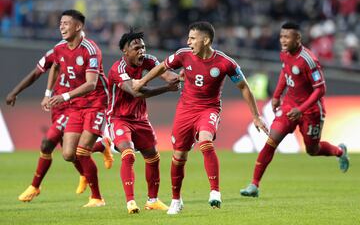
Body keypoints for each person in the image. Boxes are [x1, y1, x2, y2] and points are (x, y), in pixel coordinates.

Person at [132, 21, 268, 215]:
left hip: (209, 109)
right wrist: (143, 81)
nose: (188, 42)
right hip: (185, 110)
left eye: (193, 38)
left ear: (206, 40)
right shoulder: (183, 55)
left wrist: (255, 116)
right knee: (179, 157)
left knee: (205, 140)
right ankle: (176, 200)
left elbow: (244, 87)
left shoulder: (225, 62)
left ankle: (215, 191)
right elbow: (162, 67)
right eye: (188, 38)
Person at [240, 21, 350, 198]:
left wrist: (302, 109)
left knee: (312, 150)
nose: (283, 40)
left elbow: (320, 89)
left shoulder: (309, 60)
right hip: (289, 105)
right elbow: (285, 72)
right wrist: (276, 95)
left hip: (311, 110)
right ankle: (254, 185)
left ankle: (340, 152)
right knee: (271, 141)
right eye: (281, 36)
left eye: (287, 37)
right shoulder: (284, 54)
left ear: (298, 39)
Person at [5, 47, 113, 202]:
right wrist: (43, 94)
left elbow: (92, 81)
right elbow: (40, 71)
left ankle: (35, 186)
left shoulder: (85, 52)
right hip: (58, 105)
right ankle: (99, 149)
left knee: (47, 142)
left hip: (73, 104)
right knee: (68, 153)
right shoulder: (57, 52)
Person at [107, 29, 180, 214]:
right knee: (129, 153)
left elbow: (168, 74)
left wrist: (181, 76)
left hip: (140, 119)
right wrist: (166, 88)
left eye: (143, 47)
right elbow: (136, 92)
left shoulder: (149, 60)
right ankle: (131, 202)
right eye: (136, 47)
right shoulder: (118, 69)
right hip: (119, 118)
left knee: (153, 158)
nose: (142, 51)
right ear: (125, 51)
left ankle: (152, 201)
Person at [44, 9, 108, 207]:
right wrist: (48, 93)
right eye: (60, 23)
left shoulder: (90, 49)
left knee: (81, 152)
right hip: (77, 105)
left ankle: (97, 198)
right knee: (68, 154)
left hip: (96, 103)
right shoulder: (60, 48)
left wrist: (63, 96)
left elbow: (91, 83)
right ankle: (102, 146)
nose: (61, 26)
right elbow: (54, 66)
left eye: (66, 23)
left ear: (78, 26)